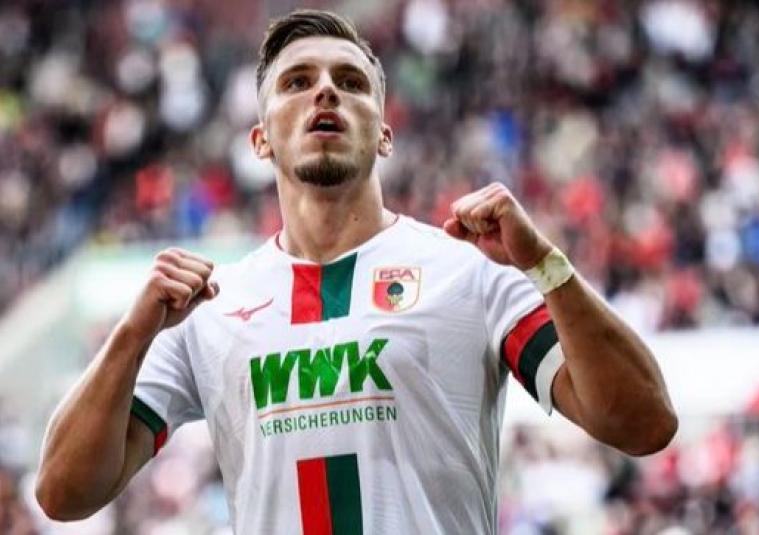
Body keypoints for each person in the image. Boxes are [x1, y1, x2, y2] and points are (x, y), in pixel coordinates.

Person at [35, 9, 677, 534]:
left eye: (350, 81)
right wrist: (132, 336)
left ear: (384, 135)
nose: (325, 91)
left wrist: (545, 265)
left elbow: (644, 422)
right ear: (261, 140)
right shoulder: (212, 306)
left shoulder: (472, 271)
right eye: (296, 82)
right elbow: (63, 493)